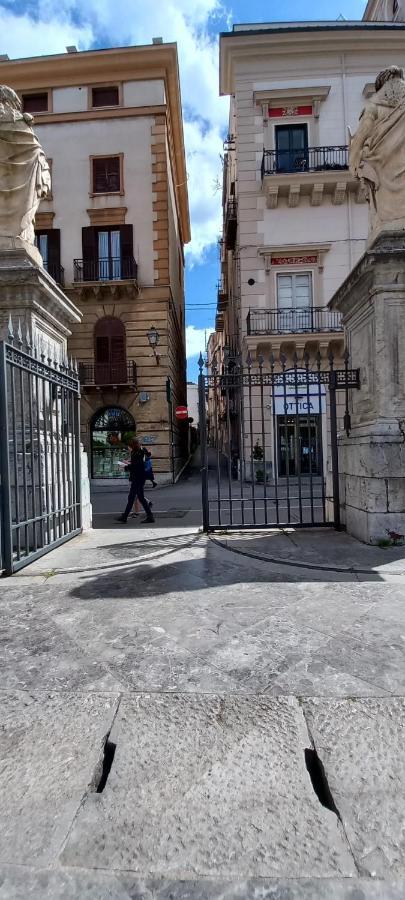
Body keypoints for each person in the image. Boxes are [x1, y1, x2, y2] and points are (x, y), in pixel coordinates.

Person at [116, 439, 155, 524]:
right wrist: (127, 466)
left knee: (133, 498)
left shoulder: (137, 453)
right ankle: (126, 516)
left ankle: (125, 517)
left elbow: (137, 466)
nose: (128, 448)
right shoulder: (139, 451)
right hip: (139, 478)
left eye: (130, 446)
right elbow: (136, 464)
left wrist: (125, 467)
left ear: (133, 445)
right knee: (136, 497)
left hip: (138, 478)